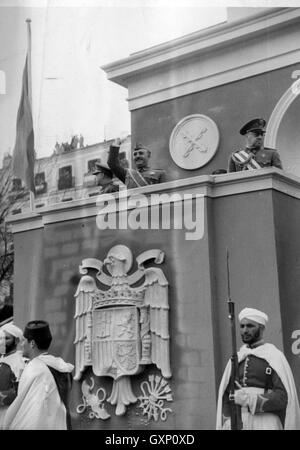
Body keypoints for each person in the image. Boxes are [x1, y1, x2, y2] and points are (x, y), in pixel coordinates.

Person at [216, 307, 300, 430]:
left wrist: (251, 400)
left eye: (250, 326)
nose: (245, 330)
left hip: (266, 422)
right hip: (239, 423)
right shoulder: (236, 358)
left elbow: (283, 397)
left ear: (261, 328)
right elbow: (226, 397)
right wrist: (228, 422)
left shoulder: (274, 356)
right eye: (242, 326)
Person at [3, 320, 74, 430]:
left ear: (32, 343)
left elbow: (33, 414)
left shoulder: (35, 369)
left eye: (23, 341)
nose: (21, 345)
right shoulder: (59, 365)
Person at [0, 323, 26, 428]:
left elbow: (21, 391)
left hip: (9, 415)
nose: (2, 342)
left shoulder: (19, 362)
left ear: (16, 341)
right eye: (1, 338)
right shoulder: (1, 359)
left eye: (7, 338)